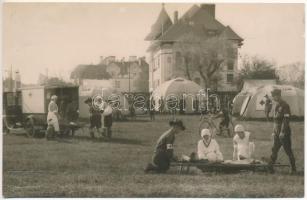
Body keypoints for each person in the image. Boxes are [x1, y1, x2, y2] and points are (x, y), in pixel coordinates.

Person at [268, 89, 296, 174]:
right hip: (277, 132)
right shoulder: (276, 105)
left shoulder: (285, 105)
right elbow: (275, 121)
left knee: (288, 150)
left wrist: (283, 132)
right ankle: (270, 168)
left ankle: (293, 168)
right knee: (274, 150)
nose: (273, 98)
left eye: (274, 96)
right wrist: (274, 132)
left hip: (284, 133)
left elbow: (286, 119)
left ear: (278, 95)